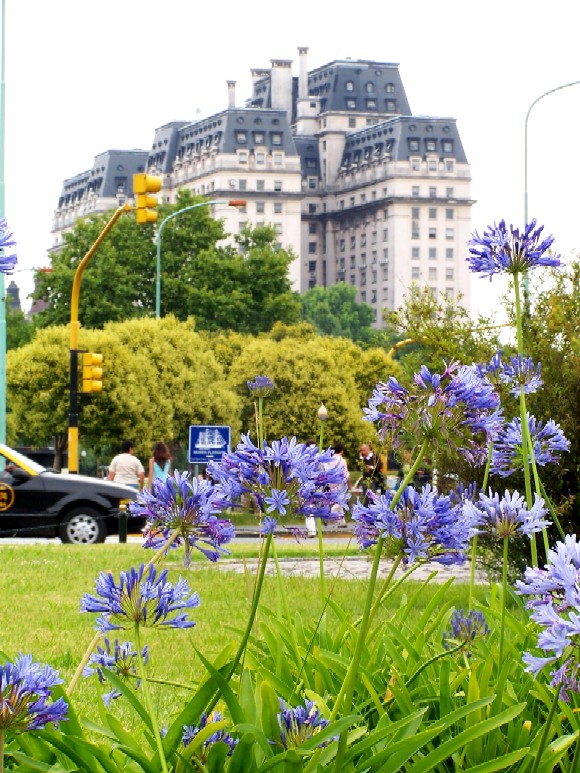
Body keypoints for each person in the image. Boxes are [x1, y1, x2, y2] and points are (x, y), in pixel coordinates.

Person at [327, 442, 352, 528]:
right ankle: (329, 514)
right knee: (340, 501)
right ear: (342, 451)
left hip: (331, 482)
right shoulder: (342, 460)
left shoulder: (330, 459)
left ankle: (341, 522)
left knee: (337, 500)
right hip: (340, 482)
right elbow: (346, 474)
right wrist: (349, 485)